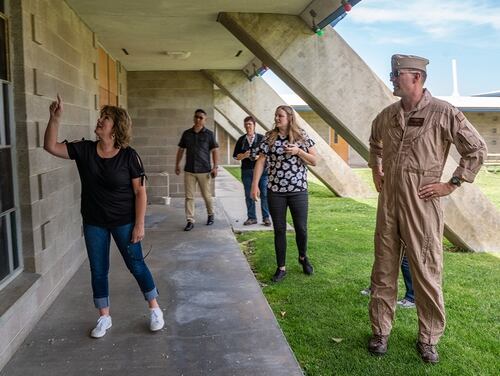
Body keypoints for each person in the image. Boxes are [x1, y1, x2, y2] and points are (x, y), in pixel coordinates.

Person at [367, 54, 486, 363]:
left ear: (416, 78)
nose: (392, 78)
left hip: (422, 204)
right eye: (392, 73)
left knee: (426, 271)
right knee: (383, 269)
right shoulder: (387, 115)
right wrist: (376, 170)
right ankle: (380, 332)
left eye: (397, 74)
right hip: (389, 203)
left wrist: (452, 183)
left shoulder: (443, 112)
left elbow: (475, 149)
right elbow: (374, 142)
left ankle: (429, 338)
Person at [43, 95, 164, 338]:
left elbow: (140, 191)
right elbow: (51, 146)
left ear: (116, 127)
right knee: (98, 270)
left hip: (125, 221)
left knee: (136, 265)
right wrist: (54, 118)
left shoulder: (129, 156)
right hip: (94, 222)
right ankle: (104, 317)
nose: (99, 121)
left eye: (105, 118)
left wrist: (139, 224)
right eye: (101, 117)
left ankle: (155, 309)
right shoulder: (85, 149)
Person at [251, 105, 317, 282]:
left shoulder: (301, 136)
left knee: (301, 228)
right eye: (276, 115)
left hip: (298, 191)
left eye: (280, 116)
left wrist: (299, 151)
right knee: (279, 230)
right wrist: (254, 185)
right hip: (276, 191)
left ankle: (303, 257)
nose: (277, 118)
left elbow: (314, 160)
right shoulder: (269, 137)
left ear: (289, 118)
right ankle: (281, 268)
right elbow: (261, 161)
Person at [175, 109, 219, 231]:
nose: (198, 119)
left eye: (201, 117)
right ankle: (190, 220)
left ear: (205, 120)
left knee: (207, 196)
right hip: (189, 170)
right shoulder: (187, 134)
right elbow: (181, 150)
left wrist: (215, 167)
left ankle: (210, 214)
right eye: (196, 117)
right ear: (194, 118)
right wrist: (177, 164)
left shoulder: (209, 134)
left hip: (204, 170)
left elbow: (215, 150)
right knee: (189, 197)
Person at [233, 115, 271, 226]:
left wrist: (259, 157)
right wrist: (244, 155)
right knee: (249, 194)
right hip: (247, 171)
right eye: (246, 124)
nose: (247, 126)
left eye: (249, 124)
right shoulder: (241, 140)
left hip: (262, 172)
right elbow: (235, 156)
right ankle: (252, 217)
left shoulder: (262, 138)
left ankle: (266, 217)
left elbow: (268, 154)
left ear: (254, 125)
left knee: (264, 193)